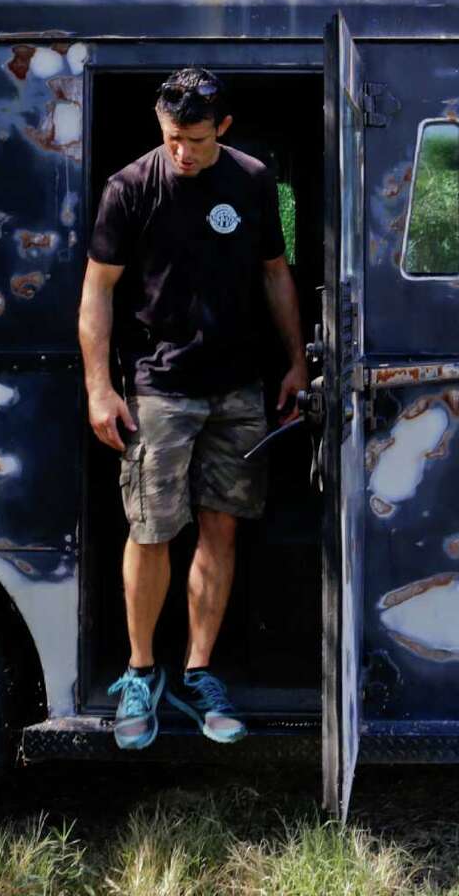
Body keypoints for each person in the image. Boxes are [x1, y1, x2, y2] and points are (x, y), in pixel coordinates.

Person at [79, 67, 308, 749]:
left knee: (221, 528)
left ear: (224, 129)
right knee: (151, 529)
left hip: (238, 386)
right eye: (174, 137)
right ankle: (140, 673)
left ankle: (199, 673)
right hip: (158, 386)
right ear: (161, 124)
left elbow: (275, 272)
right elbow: (98, 292)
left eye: (198, 140)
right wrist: (99, 386)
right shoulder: (129, 188)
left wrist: (296, 359)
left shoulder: (254, 181)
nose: (183, 152)